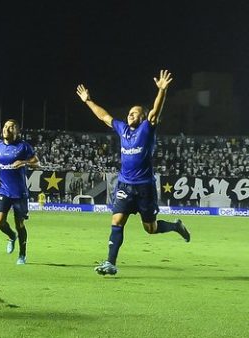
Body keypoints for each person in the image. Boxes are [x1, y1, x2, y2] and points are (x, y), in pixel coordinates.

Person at [76, 70, 190, 276]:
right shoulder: (122, 129)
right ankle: (110, 263)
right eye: (129, 111)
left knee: (151, 229)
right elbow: (104, 117)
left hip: (145, 188)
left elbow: (156, 111)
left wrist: (162, 91)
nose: (130, 114)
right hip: (125, 185)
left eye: (135, 112)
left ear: (143, 117)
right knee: (116, 221)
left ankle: (175, 227)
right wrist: (88, 101)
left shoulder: (147, 128)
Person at [0, 119, 40, 265]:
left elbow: (37, 162)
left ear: (16, 131)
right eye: (5, 126)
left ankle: (22, 255)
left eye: (11, 127)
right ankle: (12, 236)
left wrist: (23, 162)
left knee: (20, 225)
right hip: (3, 190)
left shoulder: (23, 147)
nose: (6, 129)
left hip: (19, 192)